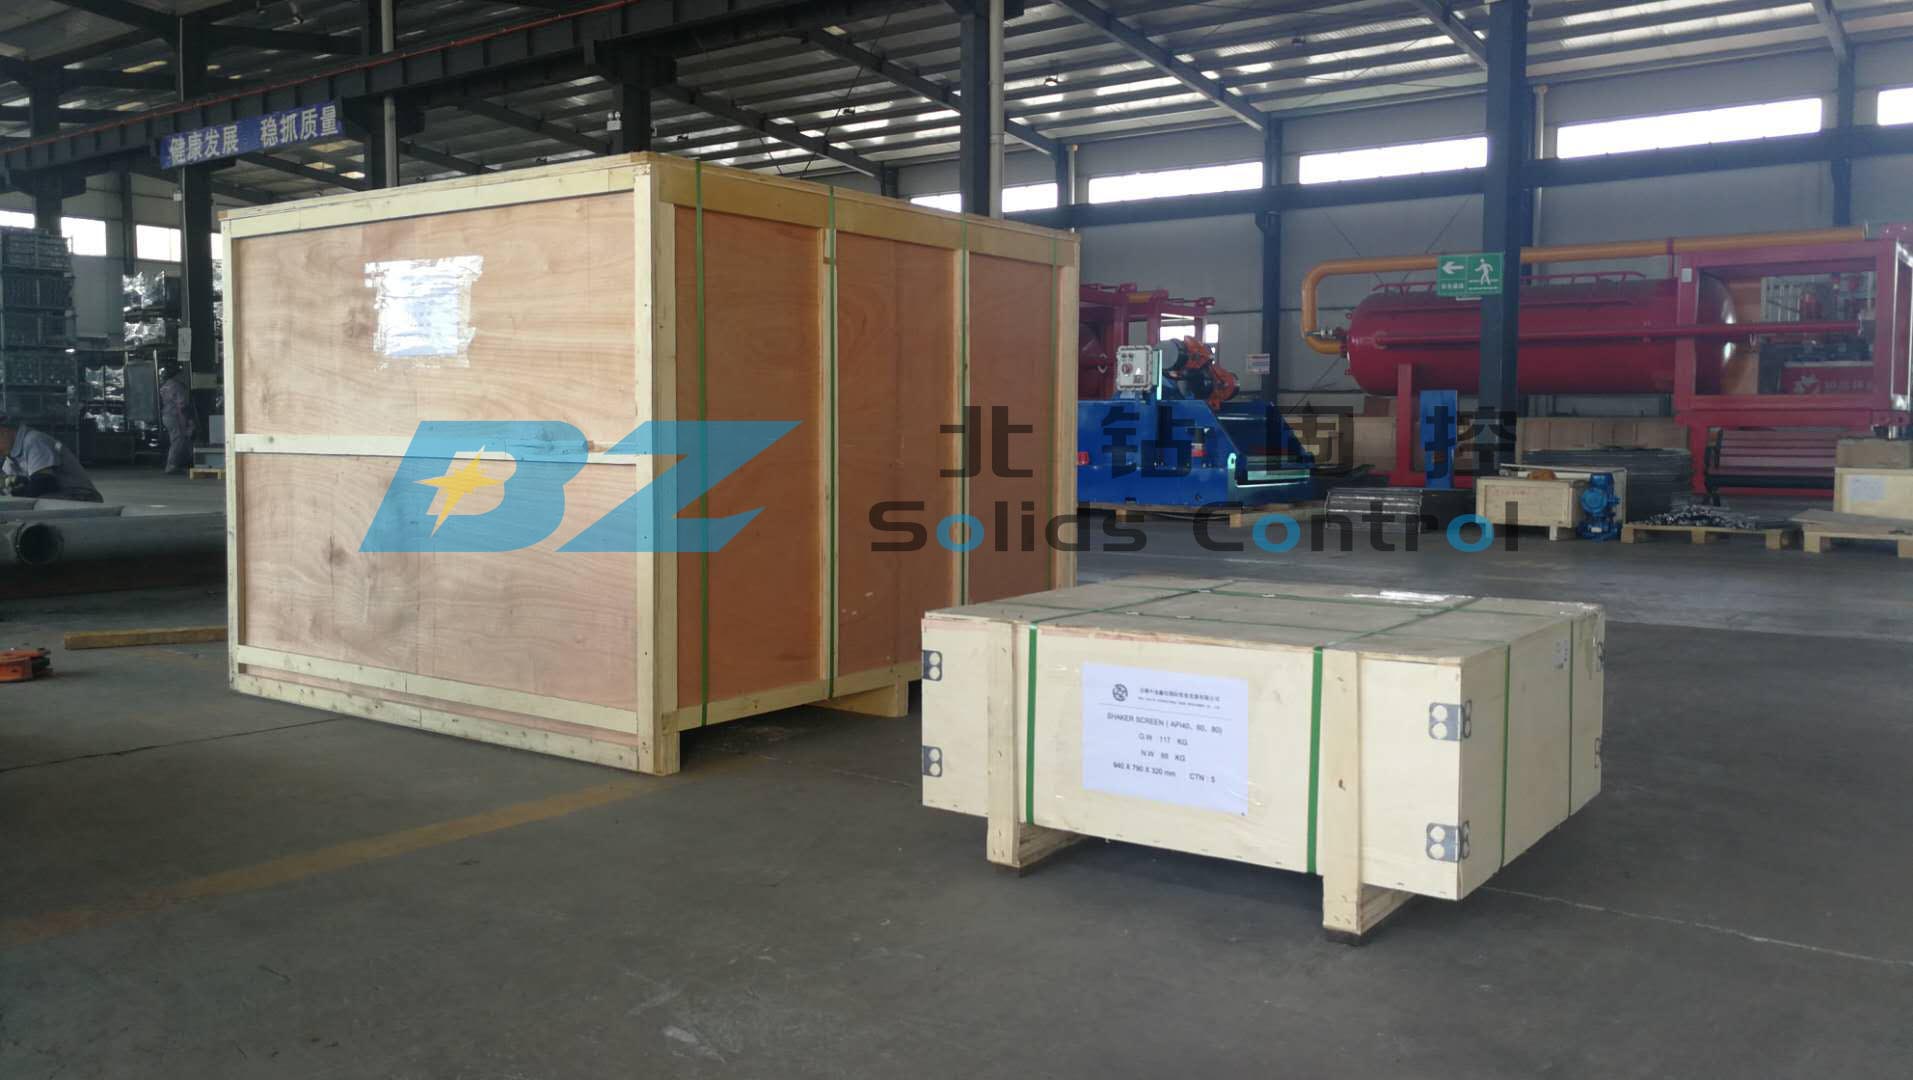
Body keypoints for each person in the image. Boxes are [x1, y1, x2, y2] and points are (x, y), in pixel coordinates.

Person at [0, 415, 102, 503]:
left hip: (81, 496)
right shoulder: (11, 453)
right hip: (60, 497)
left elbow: (44, 484)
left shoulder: (34, 441)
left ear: (3, 432)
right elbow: (8, 484)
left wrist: (15, 491)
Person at [160, 364, 196, 474]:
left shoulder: (165, 386)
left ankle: (179, 463)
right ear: (177, 374)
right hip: (176, 416)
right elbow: (182, 405)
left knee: (177, 439)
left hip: (167, 415)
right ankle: (171, 465)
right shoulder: (177, 386)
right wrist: (188, 420)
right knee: (178, 440)